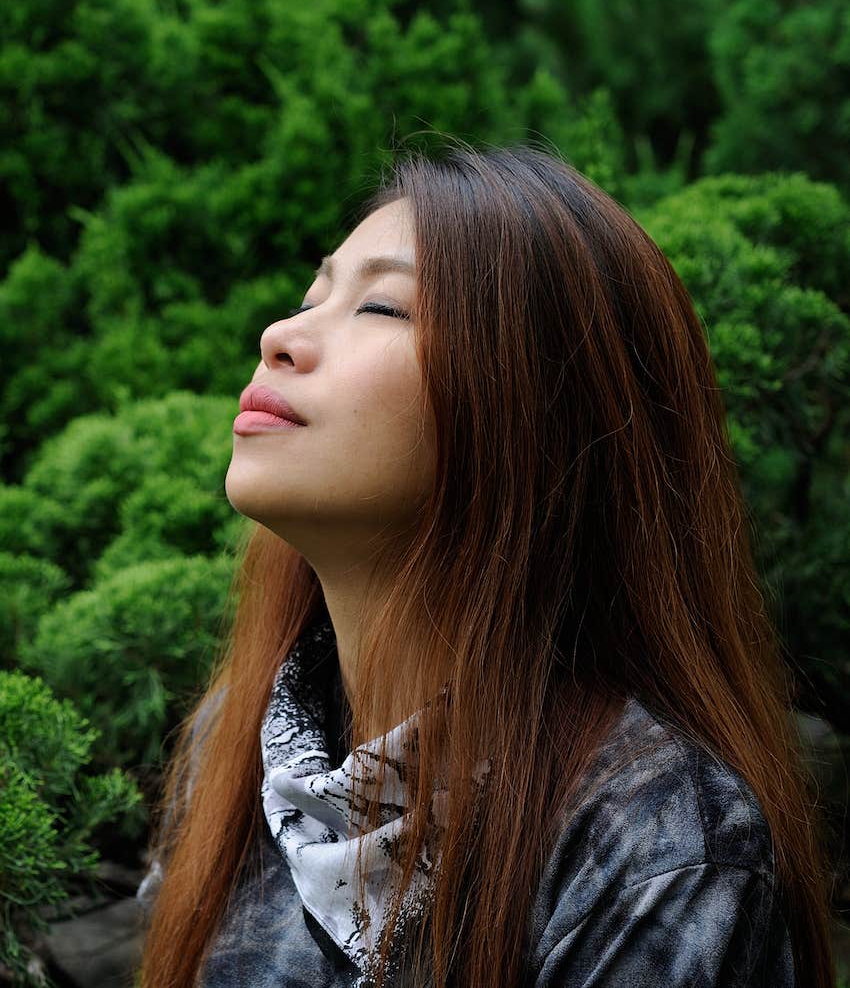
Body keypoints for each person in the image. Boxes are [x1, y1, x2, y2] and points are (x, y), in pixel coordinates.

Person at [136, 143, 836, 988]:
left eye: (383, 309)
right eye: (311, 296)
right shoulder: (240, 746)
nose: (280, 335)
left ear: (533, 413)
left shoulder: (658, 842)